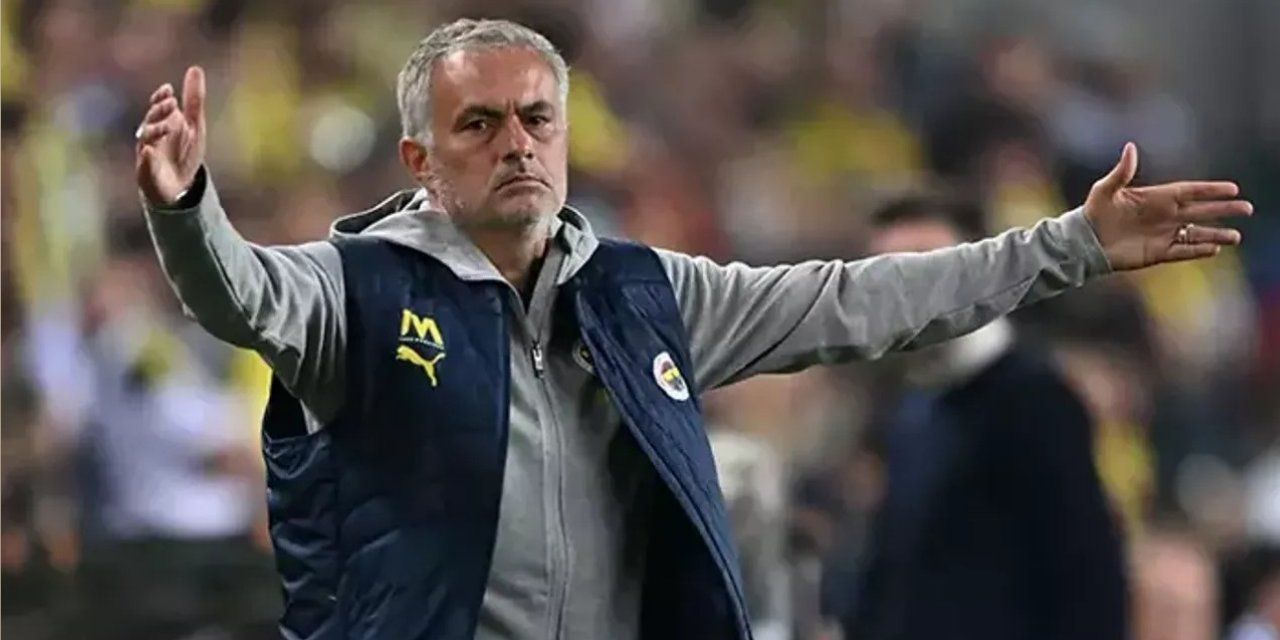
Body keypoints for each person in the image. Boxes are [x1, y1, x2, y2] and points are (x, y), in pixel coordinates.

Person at [133, 18, 1252, 640]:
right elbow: (240, 292)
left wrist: (1068, 244)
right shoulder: (359, 289)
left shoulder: (641, 293)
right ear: (420, 158)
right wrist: (187, 211)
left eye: (537, 119)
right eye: (479, 124)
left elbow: (858, 300)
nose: (517, 142)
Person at [834, 194, 1128, 640]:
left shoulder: (1036, 402)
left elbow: (1088, 583)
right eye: (885, 272)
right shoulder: (911, 410)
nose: (905, 289)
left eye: (927, 263)